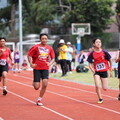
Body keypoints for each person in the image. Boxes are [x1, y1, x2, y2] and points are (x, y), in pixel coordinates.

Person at [27, 33, 55, 106]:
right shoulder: (36, 47)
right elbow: (29, 55)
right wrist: (31, 63)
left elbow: (53, 58)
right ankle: (34, 81)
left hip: (45, 68)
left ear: (47, 39)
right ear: (40, 39)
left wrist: (50, 63)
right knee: (36, 87)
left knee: (45, 84)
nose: (44, 40)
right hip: (37, 68)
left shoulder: (50, 48)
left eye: (46, 38)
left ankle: (39, 100)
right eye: (43, 38)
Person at [87, 38, 112, 104]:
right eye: (97, 42)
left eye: (100, 42)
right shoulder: (92, 53)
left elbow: (110, 60)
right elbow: (89, 63)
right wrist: (93, 70)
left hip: (104, 71)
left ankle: (102, 81)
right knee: (97, 85)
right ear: (94, 44)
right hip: (97, 72)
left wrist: (110, 68)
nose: (98, 43)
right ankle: (100, 98)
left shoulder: (104, 52)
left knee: (105, 88)